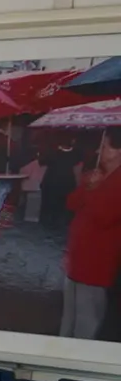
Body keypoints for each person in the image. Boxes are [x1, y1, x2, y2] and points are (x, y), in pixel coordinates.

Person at [61, 127, 121, 339]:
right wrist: (87, 185)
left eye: (104, 147)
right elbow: (71, 203)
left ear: (117, 152)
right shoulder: (100, 176)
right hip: (77, 260)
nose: (99, 151)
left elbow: (105, 216)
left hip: (96, 264)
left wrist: (94, 190)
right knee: (69, 320)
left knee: (86, 324)